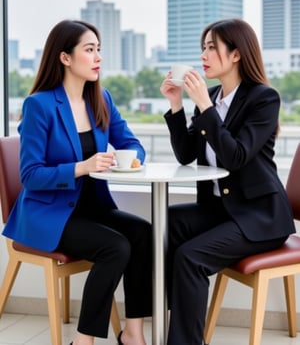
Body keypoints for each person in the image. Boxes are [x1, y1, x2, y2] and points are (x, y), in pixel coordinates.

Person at [3, 19, 152, 345]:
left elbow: (131, 143)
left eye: (99, 49)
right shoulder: (39, 106)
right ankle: (83, 341)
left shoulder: (102, 99)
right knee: (116, 247)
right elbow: (30, 175)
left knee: (143, 232)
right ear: (65, 57)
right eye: (89, 49)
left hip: (90, 209)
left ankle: (133, 332)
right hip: (49, 214)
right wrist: (80, 167)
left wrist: (132, 159)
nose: (98, 56)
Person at [160, 18, 295, 345]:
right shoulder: (210, 96)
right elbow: (186, 154)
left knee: (189, 257)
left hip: (260, 215)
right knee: (164, 226)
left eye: (212, 47)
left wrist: (205, 106)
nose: (204, 55)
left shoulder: (263, 99)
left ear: (236, 54)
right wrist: (177, 105)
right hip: (223, 209)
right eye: (203, 47)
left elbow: (235, 156)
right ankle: (180, 321)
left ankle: (184, 341)